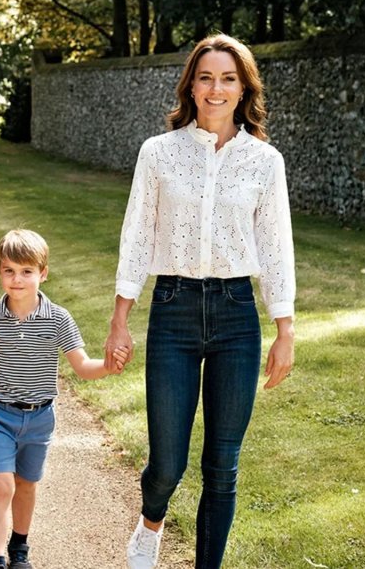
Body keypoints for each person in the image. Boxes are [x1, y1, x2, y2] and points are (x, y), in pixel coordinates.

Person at [106, 34, 296, 569]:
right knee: (167, 463)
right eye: (207, 77)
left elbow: (276, 247)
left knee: (222, 465)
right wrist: (121, 318)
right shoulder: (158, 153)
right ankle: (150, 524)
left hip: (237, 314)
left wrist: (285, 330)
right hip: (173, 309)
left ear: (243, 89)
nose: (217, 88)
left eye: (228, 78)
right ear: (191, 84)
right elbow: (137, 236)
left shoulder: (264, 162)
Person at [0, 229, 124, 569]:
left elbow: (82, 366)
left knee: (26, 485)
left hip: (39, 418)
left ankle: (19, 548)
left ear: (43, 273)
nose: (17, 280)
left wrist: (107, 366)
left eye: (27, 271)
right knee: (1, 485)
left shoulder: (58, 319)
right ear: (0, 271)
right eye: (9, 271)